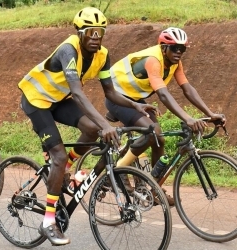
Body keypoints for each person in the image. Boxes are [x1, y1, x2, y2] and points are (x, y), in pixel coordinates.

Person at [18, 7, 159, 245]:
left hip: (58, 100)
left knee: (91, 130)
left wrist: (136, 107)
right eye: (90, 32)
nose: (95, 37)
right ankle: (48, 222)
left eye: (100, 32)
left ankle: (64, 170)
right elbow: (78, 93)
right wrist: (106, 124)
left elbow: (111, 92)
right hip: (36, 100)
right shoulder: (68, 50)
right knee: (59, 156)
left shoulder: (103, 55)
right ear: (79, 33)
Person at [105, 27, 226, 205]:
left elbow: (187, 89)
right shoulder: (154, 60)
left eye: (182, 49)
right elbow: (163, 95)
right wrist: (188, 118)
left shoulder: (175, 62)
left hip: (137, 99)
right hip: (117, 97)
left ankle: (154, 188)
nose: (178, 52)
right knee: (152, 131)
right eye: (174, 48)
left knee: (159, 139)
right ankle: (117, 171)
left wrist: (210, 113)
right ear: (163, 48)